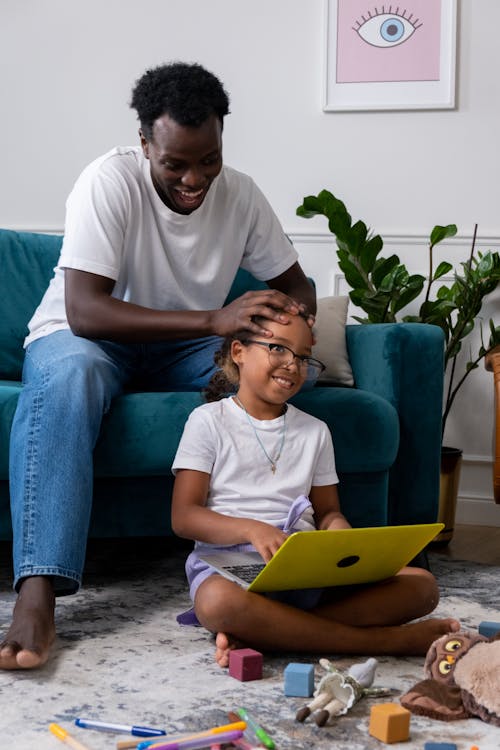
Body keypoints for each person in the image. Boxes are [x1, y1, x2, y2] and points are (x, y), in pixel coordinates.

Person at [0, 62, 316, 670]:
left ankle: (275, 556)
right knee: (70, 377)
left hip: (182, 348)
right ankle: (37, 591)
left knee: (285, 371)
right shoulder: (108, 180)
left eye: (209, 160)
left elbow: (296, 282)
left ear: (223, 137)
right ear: (145, 143)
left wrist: (287, 322)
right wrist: (214, 321)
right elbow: (86, 310)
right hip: (84, 336)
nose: (194, 178)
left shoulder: (242, 195)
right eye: (175, 164)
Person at [171, 313, 460, 667]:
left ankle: (265, 633)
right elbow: (184, 516)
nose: (292, 364)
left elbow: (328, 512)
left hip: (305, 569)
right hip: (232, 570)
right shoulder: (208, 421)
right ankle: (381, 641)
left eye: (304, 356)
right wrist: (251, 529)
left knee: (422, 586)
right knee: (217, 603)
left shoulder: (315, 431)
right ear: (238, 352)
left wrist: (338, 534)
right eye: (278, 348)